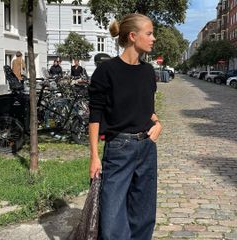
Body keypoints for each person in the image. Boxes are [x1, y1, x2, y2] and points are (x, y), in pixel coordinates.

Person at [88, 13, 162, 240]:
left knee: (143, 214)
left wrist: (158, 123)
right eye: (149, 33)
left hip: (146, 147)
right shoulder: (106, 70)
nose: (153, 38)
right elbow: (95, 115)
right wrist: (94, 156)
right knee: (111, 219)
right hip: (119, 148)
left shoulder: (148, 71)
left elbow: (145, 108)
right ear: (132, 36)